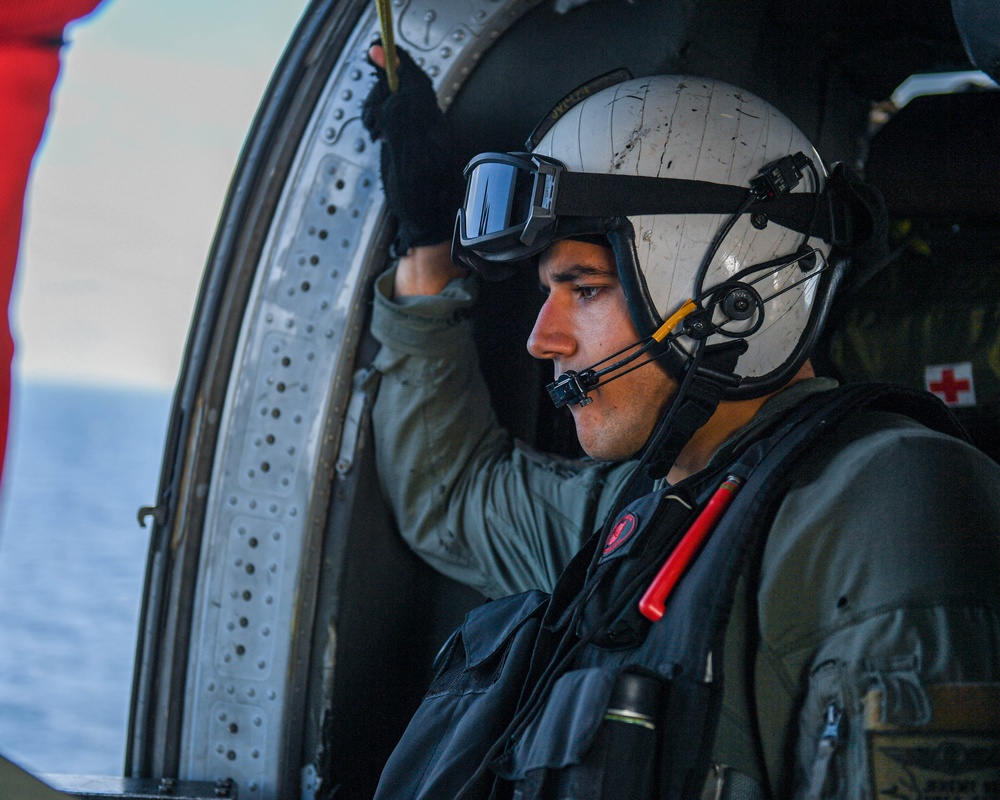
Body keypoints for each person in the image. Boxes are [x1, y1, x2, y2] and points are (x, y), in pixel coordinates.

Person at [362, 45, 1000, 800]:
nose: (543, 338)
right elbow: (453, 493)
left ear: (736, 294)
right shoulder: (643, 512)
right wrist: (425, 248)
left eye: (586, 289)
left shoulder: (887, 505)